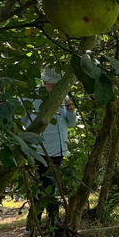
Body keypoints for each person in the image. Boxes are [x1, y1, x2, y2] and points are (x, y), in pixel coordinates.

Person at [21, 67, 77, 228]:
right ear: (44, 81)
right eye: (51, 83)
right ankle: (45, 220)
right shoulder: (32, 97)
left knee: (48, 186)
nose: (53, 86)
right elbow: (21, 120)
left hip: (59, 150)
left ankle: (37, 221)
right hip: (41, 150)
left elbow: (71, 124)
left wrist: (71, 111)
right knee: (47, 186)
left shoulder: (62, 96)